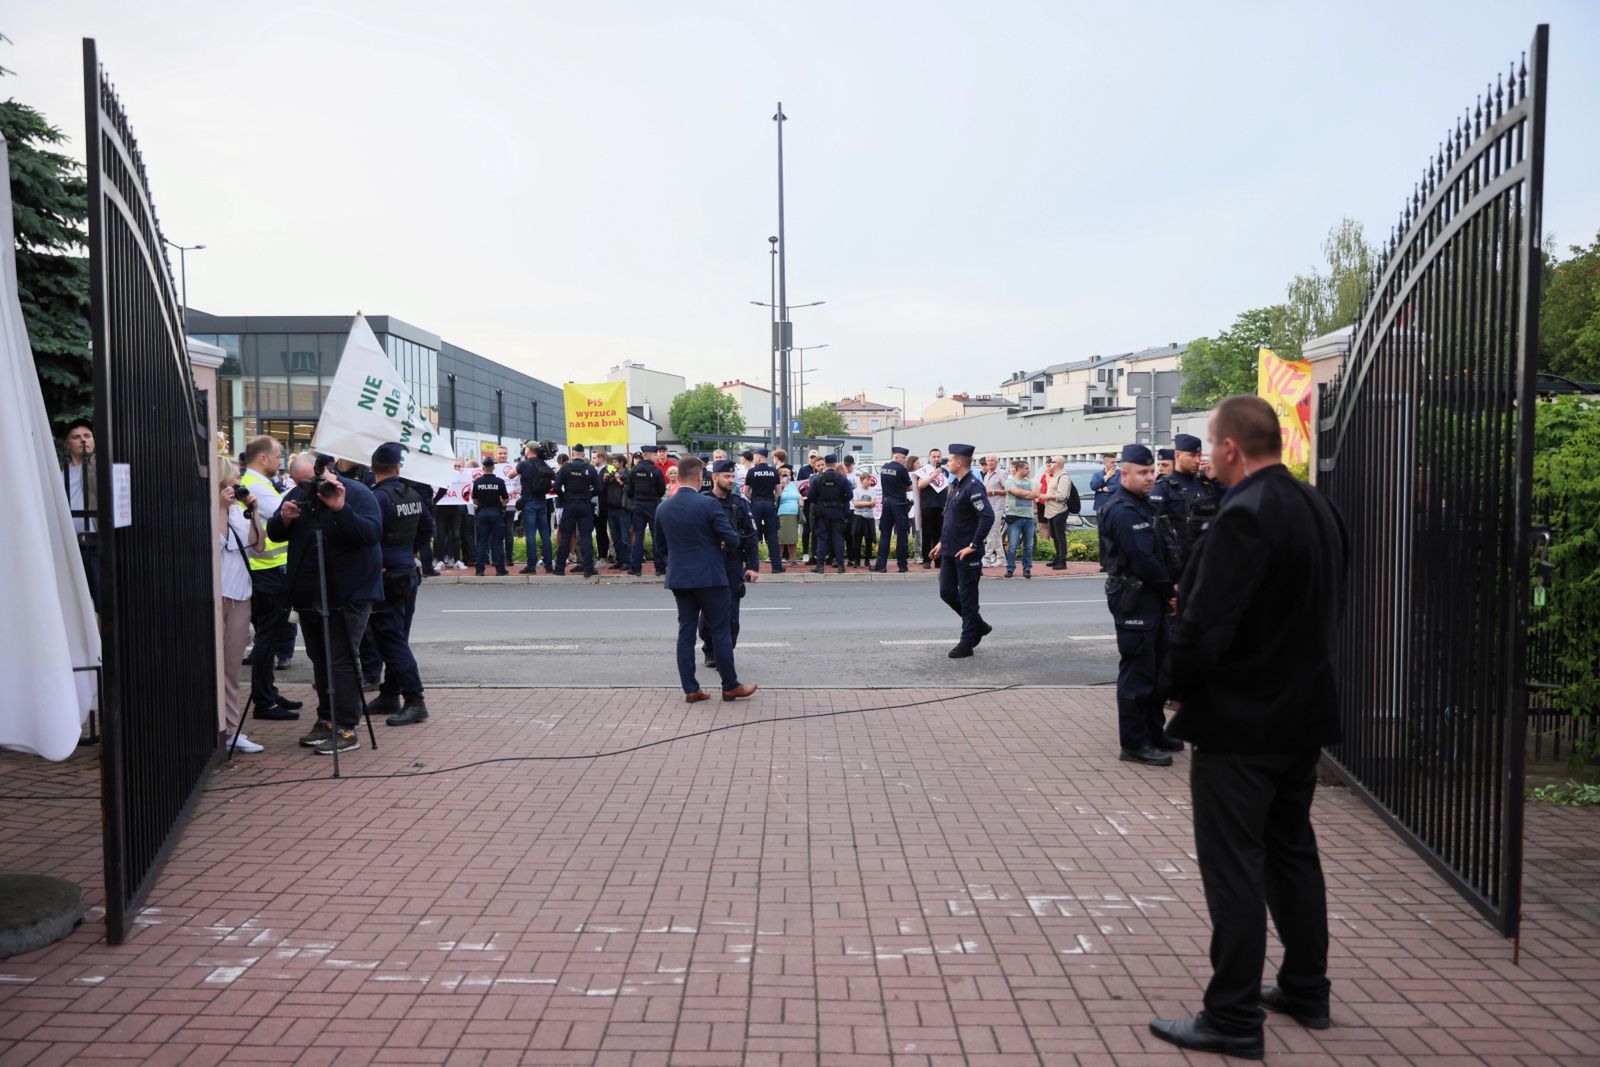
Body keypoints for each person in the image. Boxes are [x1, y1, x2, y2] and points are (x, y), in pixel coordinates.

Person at [1149, 395, 1347, 1061]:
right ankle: (1306, 987)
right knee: (1291, 849)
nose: (1206, 455)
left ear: (1232, 446)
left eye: (1210, 443)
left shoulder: (1246, 515)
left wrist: (1176, 687)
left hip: (1244, 720)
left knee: (1235, 864)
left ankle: (1232, 1016)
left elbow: (1206, 625)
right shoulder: (1315, 505)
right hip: (1302, 715)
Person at [267, 453, 383, 756]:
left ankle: (347, 725)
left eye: (317, 476)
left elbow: (370, 535)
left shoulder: (357, 493)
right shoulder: (299, 494)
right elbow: (274, 533)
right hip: (309, 591)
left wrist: (340, 508)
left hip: (350, 591)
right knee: (320, 658)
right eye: (304, 480)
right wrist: (284, 518)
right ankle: (327, 719)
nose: (313, 484)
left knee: (341, 658)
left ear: (332, 471)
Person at [1098, 443, 1183, 767]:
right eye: (1143, 472)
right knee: (1138, 674)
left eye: (1152, 472)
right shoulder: (1123, 509)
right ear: (1125, 473)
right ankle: (1133, 744)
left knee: (1158, 670)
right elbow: (1143, 560)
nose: (1150, 477)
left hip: (1151, 598)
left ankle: (1153, 732)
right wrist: (1169, 591)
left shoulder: (1141, 505)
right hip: (1135, 600)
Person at [655, 455, 758, 703]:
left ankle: (691, 689)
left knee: (686, 633)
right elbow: (733, 538)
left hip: (680, 578)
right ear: (701, 477)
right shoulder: (708, 505)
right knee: (721, 631)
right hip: (711, 577)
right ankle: (730, 685)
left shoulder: (663, 508)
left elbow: (660, 547)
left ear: (677, 476)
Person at [236, 435, 302, 720]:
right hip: (267, 571)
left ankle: (269, 693)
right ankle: (264, 700)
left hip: (271, 569)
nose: (280, 461)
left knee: (271, 636)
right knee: (267, 637)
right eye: (277, 456)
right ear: (263, 458)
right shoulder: (255, 485)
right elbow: (284, 515)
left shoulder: (258, 484)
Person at [367, 443, 433, 727]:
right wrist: (409, 551)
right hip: (407, 572)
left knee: (390, 639)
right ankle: (390, 694)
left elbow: (368, 537)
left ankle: (415, 700)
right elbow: (428, 528)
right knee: (396, 637)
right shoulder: (412, 494)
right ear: (398, 467)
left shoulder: (377, 498)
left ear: (372, 468)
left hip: (387, 575)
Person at [929, 444, 994, 658]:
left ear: (959, 462)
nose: (947, 463)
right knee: (946, 592)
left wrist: (974, 545)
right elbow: (951, 518)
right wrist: (940, 543)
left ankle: (967, 642)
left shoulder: (973, 486)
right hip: (949, 550)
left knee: (968, 598)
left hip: (967, 553)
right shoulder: (956, 485)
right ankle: (979, 625)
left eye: (949, 460)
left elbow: (987, 517)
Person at [218, 473, 263, 754]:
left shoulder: (240, 512)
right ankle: (216, 727)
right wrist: (221, 507)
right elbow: (218, 542)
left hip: (241, 596)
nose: (238, 487)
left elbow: (259, 546)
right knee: (212, 667)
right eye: (233, 482)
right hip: (217, 596)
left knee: (232, 668)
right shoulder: (211, 510)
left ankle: (231, 730)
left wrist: (254, 511)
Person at [700, 459, 760, 666]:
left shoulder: (739, 503)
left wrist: (752, 566)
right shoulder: (703, 501)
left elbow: (751, 535)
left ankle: (726, 653)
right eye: (726, 476)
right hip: (709, 564)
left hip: (733, 564)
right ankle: (710, 650)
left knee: (732, 616)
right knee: (708, 614)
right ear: (714, 477)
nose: (731, 480)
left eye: (732, 476)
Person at [1156, 432, 1227, 573]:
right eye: (1192, 456)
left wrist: (1216, 480)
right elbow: (1156, 534)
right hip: (1180, 565)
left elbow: (1230, 505)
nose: (1197, 460)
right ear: (1177, 455)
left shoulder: (1207, 484)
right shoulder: (1163, 488)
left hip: (1208, 562)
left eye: (1199, 456)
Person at [60, 418, 99, 612]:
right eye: (76, 437)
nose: (83, 440)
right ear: (68, 444)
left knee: (101, 601)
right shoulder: (61, 473)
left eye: (87, 436)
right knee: (78, 604)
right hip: (71, 545)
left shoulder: (98, 466)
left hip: (96, 543)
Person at [554, 444, 604, 577]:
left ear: (573, 454)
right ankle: (588, 568)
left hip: (569, 504)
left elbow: (557, 487)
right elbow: (599, 488)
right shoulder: (590, 468)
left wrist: (565, 497)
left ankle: (559, 568)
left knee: (566, 536)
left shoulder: (566, 468)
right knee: (586, 536)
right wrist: (588, 495)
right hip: (585, 505)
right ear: (583, 455)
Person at [627, 448, 668, 575]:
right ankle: (660, 568)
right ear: (648, 455)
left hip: (638, 505)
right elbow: (661, 490)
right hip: (652, 506)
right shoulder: (655, 470)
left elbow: (629, 490)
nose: (657, 457)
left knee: (638, 536)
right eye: (655, 455)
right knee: (656, 536)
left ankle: (636, 568)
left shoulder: (634, 470)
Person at [807, 454, 850, 575]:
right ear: (836, 464)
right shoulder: (841, 478)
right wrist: (840, 501)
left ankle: (820, 566)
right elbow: (850, 495)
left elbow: (810, 496)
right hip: (837, 512)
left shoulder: (818, 478)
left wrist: (819, 503)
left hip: (822, 512)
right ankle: (841, 566)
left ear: (825, 464)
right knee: (838, 538)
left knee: (822, 539)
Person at [516, 445, 555, 574]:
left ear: (529, 450)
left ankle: (531, 566)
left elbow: (510, 475)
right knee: (545, 534)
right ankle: (548, 565)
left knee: (530, 535)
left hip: (529, 503)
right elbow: (554, 477)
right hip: (542, 502)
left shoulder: (524, 464)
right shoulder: (543, 464)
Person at [874, 445, 913, 572]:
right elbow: (910, 487)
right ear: (896, 456)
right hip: (899, 505)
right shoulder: (901, 469)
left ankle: (881, 565)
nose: (905, 460)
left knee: (885, 535)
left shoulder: (884, 467)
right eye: (903, 458)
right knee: (902, 535)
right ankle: (902, 565)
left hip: (886, 504)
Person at [743, 447, 783, 573]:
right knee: (772, 536)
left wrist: (754, 499)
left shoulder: (751, 471)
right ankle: (776, 567)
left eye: (755, 457)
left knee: (753, 535)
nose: (754, 459)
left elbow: (746, 492)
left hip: (756, 504)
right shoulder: (773, 471)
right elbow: (778, 492)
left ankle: (752, 566)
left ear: (759, 457)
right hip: (770, 504)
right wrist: (772, 501)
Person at [470, 457, 510, 576]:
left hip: (482, 513)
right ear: (493, 467)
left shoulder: (477, 482)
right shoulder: (500, 482)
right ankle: (500, 570)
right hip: (496, 513)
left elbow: (474, 500)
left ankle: (480, 570)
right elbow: (506, 499)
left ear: (483, 468)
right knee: (497, 542)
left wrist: (483, 504)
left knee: (482, 542)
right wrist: (500, 504)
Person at [1002, 458, 1039, 579]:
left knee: (1028, 545)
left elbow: (1036, 494)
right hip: (1015, 517)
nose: (1029, 470)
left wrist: (1025, 494)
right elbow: (1016, 492)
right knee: (1012, 545)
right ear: (1019, 469)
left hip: (1029, 517)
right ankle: (1010, 568)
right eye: (1027, 468)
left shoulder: (1031, 481)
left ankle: (1027, 568)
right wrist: (1027, 494)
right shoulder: (1009, 481)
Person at [1041, 456, 1077, 570]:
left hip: (1060, 510)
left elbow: (1062, 495)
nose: (1050, 463)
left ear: (1058, 464)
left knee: (1060, 536)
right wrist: (1047, 475)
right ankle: (1057, 558)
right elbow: (1051, 487)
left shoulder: (1063, 477)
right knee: (1054, 535)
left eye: (1052, 462)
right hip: (1051, 510)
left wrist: (1047, 497)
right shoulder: (1054, 476)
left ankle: (1062, 561)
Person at [915, 447, 949, 568]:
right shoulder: (924, 470)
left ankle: (938, 560)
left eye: (938, 456)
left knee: (939, 534)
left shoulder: (945, 471)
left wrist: (947, 504)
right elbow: (921, 485)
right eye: (933, 456)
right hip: (928, 506)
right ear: (929, 458)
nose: (936, 459)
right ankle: (926, 559)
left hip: (941, 507)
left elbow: (948, 488)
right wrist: (933, 475)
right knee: (927, 534)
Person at [602, 452, 632, 568]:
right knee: (615, 537)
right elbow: (604, 490)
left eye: (615, 462)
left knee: (625, 536)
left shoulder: (627, 474)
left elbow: (630, 490)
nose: (613, 464)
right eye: (613, 462)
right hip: (611, 508)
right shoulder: (612, 473)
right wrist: (605, 480)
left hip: (622, 509)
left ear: (622, 463)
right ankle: (619, 560)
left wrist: (620, 481)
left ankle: (627, 561)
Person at [981, 455, 1007, 567]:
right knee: (995, 533)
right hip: (988, 506)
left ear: (997, 462)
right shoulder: (986, 475)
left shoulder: (1001, 473)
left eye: (992, 461)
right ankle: (1001, 559)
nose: (990, 463)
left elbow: (1007, 489)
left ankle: (986, 558)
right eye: (988, 461)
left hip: (998, 506)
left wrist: (992, 491)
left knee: (992, 531)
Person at [849, 472, 878, 567]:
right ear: (862, 481)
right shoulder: (856, 491)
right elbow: (856, 504)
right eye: (867, 480)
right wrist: (868, 503)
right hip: (859, 518)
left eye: (870, 480)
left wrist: (862, 503)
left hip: (869, 518)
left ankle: (867, 560)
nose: (869, 482)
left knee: (869, 540)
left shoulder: (873, 491)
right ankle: (857, 561)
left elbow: (874, 503)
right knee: (857, 540)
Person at [777, 469, 801, 564]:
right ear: (779, 476)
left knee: (793, 538)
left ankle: (793, 560)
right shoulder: (777, 485)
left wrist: (800, 500)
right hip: (783, 513)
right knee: (781, 538)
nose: (787, 477)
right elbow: (775, 498)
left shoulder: (793, 485)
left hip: (794, 514)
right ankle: (778, 559)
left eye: (788, 475)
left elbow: (798, 496)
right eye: (784, 475)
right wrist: (781, 487)